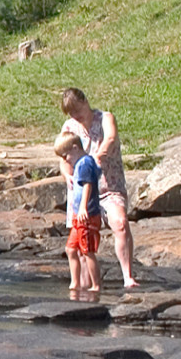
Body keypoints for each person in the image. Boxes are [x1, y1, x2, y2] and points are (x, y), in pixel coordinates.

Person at [57, 87, 137, 289]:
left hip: (108, 187)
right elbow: (63, 158)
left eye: (78, 110)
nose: (76, 116)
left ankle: (128, 276)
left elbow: (110, 138)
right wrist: (68, 176)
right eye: (72, 113)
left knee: (120, 223)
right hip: (82, 194)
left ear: (85, 101)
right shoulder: (69, 127)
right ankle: (84, 289)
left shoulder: (105, 118)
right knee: (82, 247)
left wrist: (98, 156)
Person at [56, 132, 102, 297]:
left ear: (75, 148)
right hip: (78, 216)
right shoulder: (79, 164)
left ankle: (96, 285)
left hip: (87, 214)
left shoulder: (84, 163)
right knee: (70, 249)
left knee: (87, 251)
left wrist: (83, 207)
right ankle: (75, 282)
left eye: (66, 155)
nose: (65, 159)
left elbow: (88, 185)